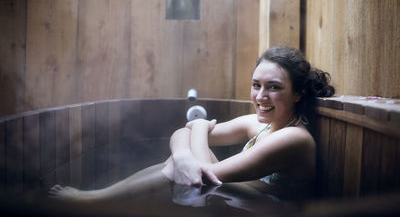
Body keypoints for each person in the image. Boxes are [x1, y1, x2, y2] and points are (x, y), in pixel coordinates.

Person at [49, 46, 334, 203]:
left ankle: (94, 201)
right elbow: (180, 132)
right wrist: (185, 153)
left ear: (297, 93)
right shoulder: (259, 124)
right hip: (245, 200)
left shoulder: (294, 138)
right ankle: (98, 199)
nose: (260, 96)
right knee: (178, 161)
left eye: (273, 87)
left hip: (270, 212)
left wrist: (198, 128)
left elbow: (209, 173)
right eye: (256, 85)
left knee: (182, 168)